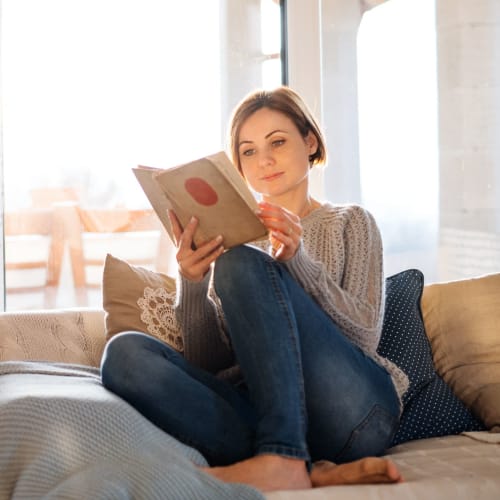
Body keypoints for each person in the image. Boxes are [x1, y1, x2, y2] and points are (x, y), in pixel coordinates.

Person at [100, 86, 409, 492]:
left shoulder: (351, 222)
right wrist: (193, 284)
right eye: (248, 151)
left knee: (241, 263)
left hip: (355, 411)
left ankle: (283, 456)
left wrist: (295, 261)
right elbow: (210, 364)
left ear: (310, 141)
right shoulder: (235, 244)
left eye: (277, 142)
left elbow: (364, 335)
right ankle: (301, 464)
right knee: (123, 354)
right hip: (262, 415)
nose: (263, 160)